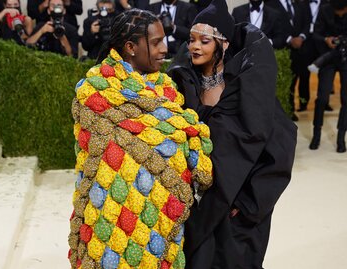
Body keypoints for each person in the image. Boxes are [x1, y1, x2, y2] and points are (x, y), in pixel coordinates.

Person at [69, 9, 213, 269]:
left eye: (163, 40)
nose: (164, 48)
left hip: (159, 220)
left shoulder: (166, 89)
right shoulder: (94, 90)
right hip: (110, 223)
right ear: (131, 47)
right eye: (156, 42)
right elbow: (103, 156)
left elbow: (173, 141)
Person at [167, 0, 297, 268]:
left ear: (223, 44)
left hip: (236, 210)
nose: (194, 46)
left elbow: (279, 145)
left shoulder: (246, 88)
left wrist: (250, 202)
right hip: (195, 208)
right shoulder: (181, 86)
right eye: (191, 40)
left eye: (204, 41)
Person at [309, 0, 347, 152]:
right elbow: (315, 34)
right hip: (328, 57)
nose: (340, 14)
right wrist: (326, 39)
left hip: (346, 59)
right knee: (322, 98)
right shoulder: (324, 10)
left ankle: (341, 138)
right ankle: (316, 134)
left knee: (346, 99)